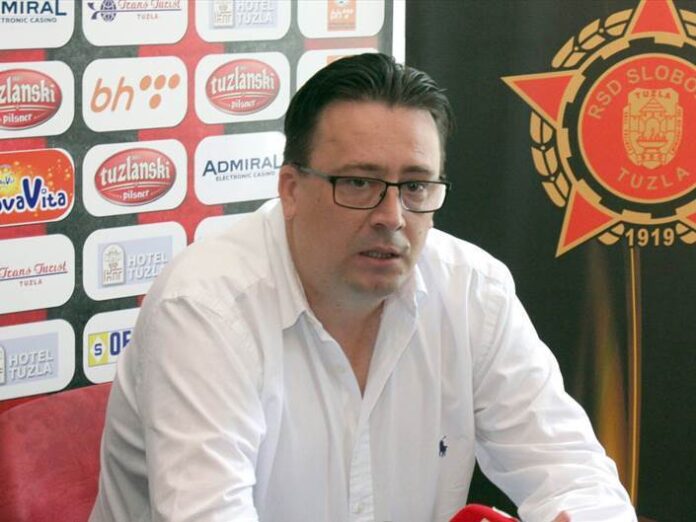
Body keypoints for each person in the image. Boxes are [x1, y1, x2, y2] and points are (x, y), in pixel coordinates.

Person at [90, 53, 636, 522]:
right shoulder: (206, 308)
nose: (392, 216)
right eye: (358, 182)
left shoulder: (474, 291)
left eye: (415, 186)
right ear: (291, 189)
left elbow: (572, 471)